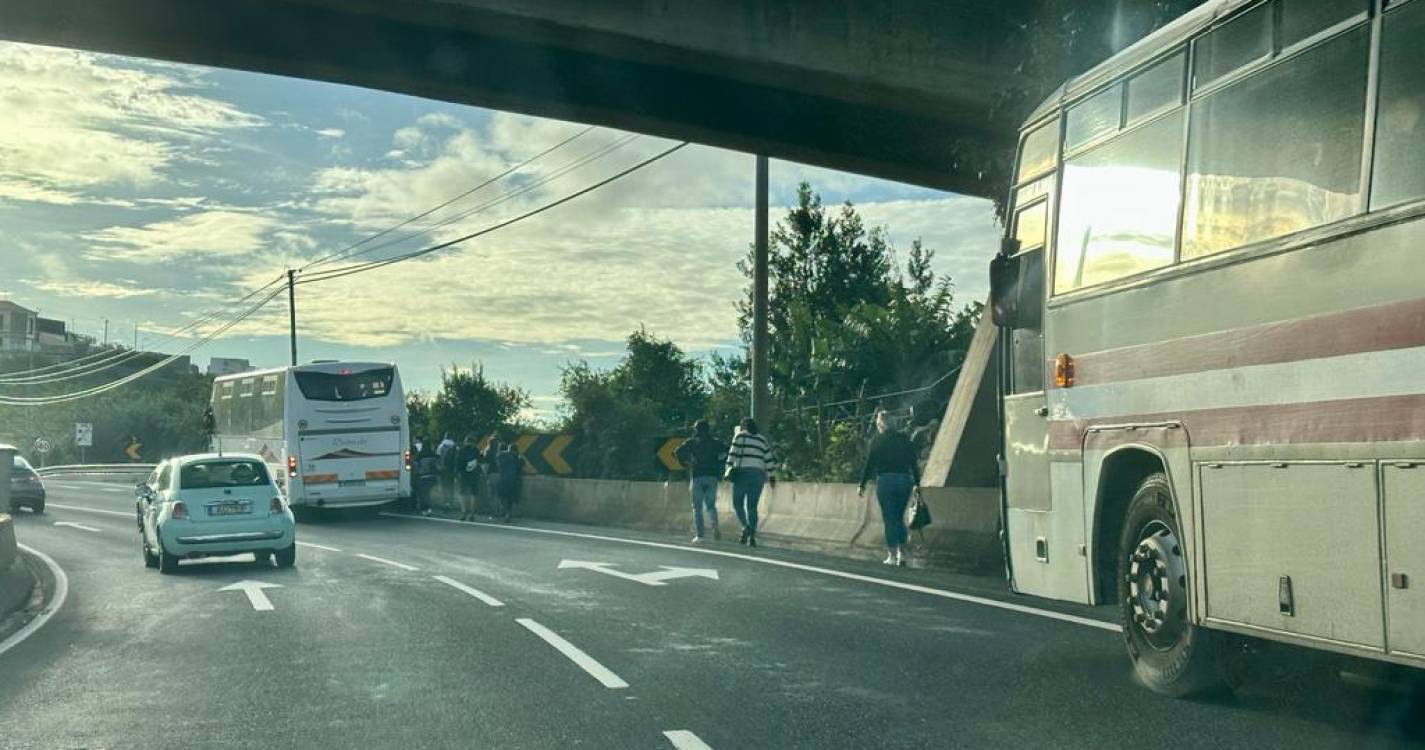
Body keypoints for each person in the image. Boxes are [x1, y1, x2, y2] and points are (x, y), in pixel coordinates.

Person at [858, 409, 922, 566]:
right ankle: (903, 554)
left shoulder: (877, 440)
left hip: (886, 481)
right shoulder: (904, 439)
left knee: (889, 518)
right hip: (904, 481)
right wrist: (917, 483)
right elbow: (913, 463)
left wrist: (862, 484)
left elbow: (870, 464)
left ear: (880, 424)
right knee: (899, 518)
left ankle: (892, 555)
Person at [725, 417, 777, 547]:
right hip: (759, 475)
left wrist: (728, 469)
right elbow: (769, 459)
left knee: (737, 503)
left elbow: (733, 454)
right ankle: (752, 535)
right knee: (752, 506)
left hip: (743, 473)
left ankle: (745, 526)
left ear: (743, 426)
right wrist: (771, 476)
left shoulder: (740, 436)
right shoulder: (762, 439)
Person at [675, 420, 727, 543]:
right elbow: (728, 450)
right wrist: (720, 463)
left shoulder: (692, 442)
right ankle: (714, 524)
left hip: (697, 475)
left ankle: (700, 535)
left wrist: (685, 463)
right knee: (711, 505)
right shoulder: (715, 442)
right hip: (712, 476)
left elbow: (677, 452)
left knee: (697, 507)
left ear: (696, 429)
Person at [494, 443, 524, 523]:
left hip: (502, 479)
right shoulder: (517, 457)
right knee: (510, 498)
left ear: (508, 449)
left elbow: (497, 463)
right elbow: (521, 466)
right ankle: (508, 513)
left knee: (501, 496)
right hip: (513, 480)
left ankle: (504, 510)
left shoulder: (501, 455)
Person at [457, 435, 483, 522]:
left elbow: (457, 463)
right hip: (474, 475)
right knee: (473, 494)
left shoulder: (461, 450)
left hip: (463, 474)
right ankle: (472, 514)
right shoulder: (476, 450)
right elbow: (480, 461)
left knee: (462, 494)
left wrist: (457, 474)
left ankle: (464, 513)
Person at [414, 443, 440, 516]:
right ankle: (429, 508)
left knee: (423, 494)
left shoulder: (419, 456)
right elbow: (438, 466)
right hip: (432, 477)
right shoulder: (434, 455)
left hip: (423, 477)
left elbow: (416, 467)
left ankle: (424, 509)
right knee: (429, 493)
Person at [438, 433, 459, 509]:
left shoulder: (441, 446)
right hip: (452, 469)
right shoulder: (455, 446)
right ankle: (451, 502)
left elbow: (438, 456)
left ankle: (445, 502)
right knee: (451, 485)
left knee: (444, 486)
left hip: (443, 469)